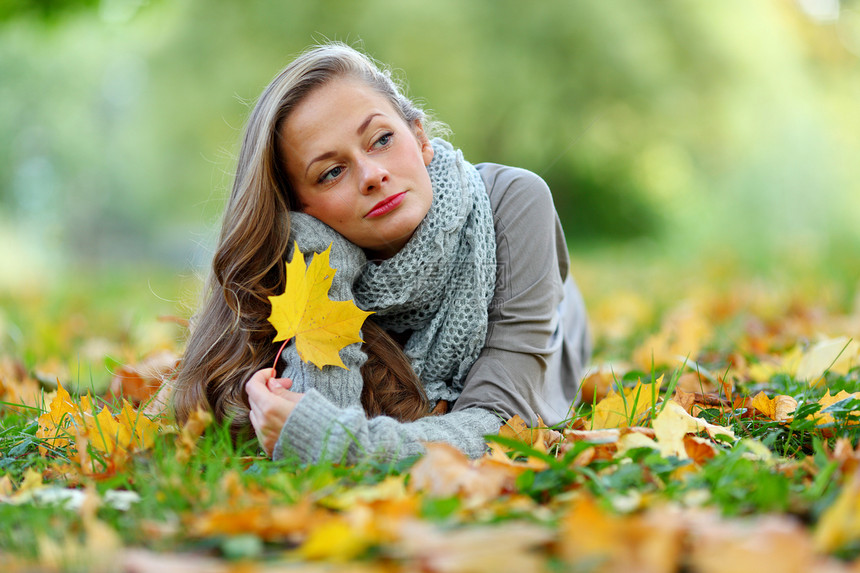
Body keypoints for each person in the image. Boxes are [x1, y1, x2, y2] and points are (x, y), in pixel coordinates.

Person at [172, 42, 591, 464]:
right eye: (331, 172)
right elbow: (310, 409)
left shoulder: (515, 202)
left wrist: (343, 445)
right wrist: (320, 259)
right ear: (300, 209)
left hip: (550, 327)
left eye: (382, 139)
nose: (373, 175)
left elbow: (503, 425)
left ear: (420, 136)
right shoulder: (310, 252)